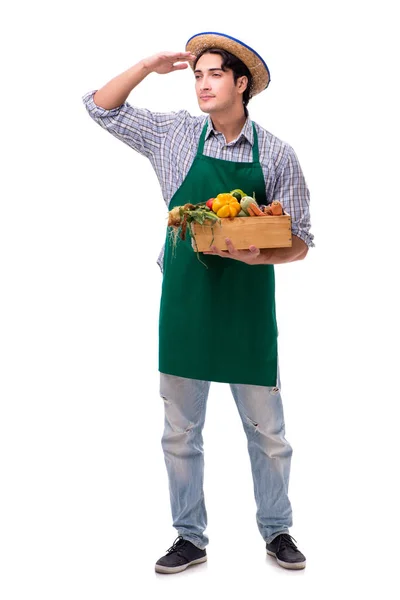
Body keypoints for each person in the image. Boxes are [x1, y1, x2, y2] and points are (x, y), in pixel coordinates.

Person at [82, 32, 314, 574]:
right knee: (181, 433)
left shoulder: (277, 153)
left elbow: (301, 237)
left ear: (240, 84)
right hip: (185, 305)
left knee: (269, 435)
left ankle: (277, 531)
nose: (203, 84)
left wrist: (264, 256)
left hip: (247, 309)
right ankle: (190, 536)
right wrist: (146, 64)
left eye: (214, 74)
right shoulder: (175, 136)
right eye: (197, 75)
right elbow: (99, 107)